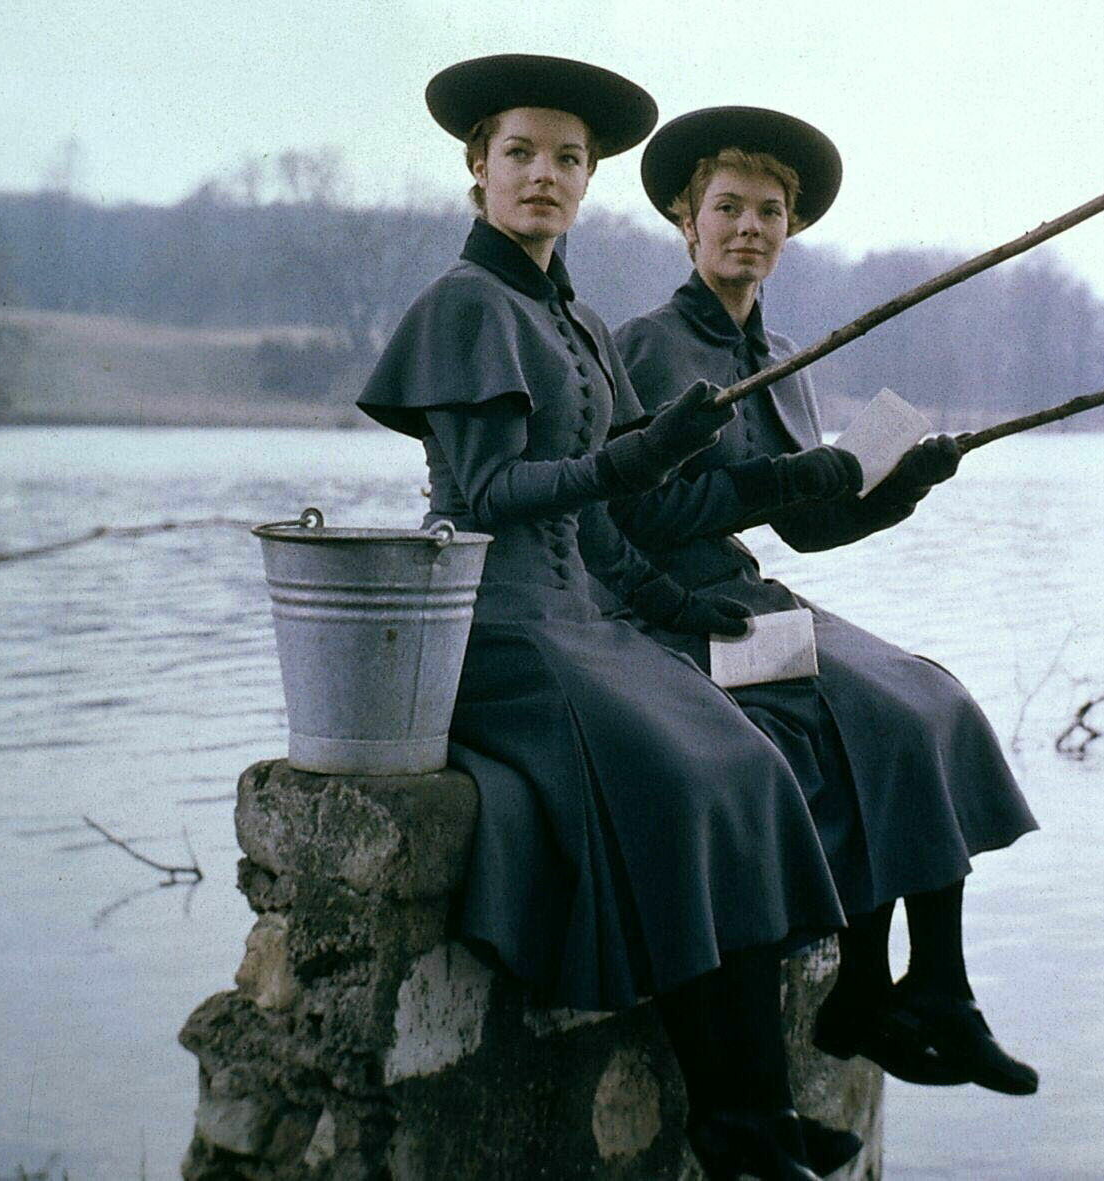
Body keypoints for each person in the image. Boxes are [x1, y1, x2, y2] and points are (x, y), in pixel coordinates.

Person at [357, 59, 859, 1179]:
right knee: (680, 781)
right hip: (498, 632)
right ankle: (737, 1126)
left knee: (745, 763)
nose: (544, 174)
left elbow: (603, 523)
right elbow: (489, 496)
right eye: (520, 153)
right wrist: (632, 458)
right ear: (479, 167)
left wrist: (675, 602)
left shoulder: (575, 318)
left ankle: (758, 1115)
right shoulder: (463, 306)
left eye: (568, 158)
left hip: (581, 617)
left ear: (588, 181)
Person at [610, 106, 1041, 1095]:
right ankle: (872, 991)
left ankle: (927, 987)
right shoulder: (647, 346)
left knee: (923, 696)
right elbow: (635, 513)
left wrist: (897, 485)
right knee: (851, 715)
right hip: (665, 608)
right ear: (686, 221)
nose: (748, 228)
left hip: (744, 587)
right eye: (727, 207)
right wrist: (789, 478)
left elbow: (809, 527)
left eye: (769, 212)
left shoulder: (784, 353)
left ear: (789, 230)